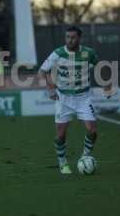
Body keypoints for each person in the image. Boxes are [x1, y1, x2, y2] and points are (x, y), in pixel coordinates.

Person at [38, 26, 112, 174]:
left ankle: (84, 157)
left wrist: (106, 84)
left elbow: (100, 66)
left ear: (79, 38)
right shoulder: (58, 53)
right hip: (63, 98)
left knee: (92, 130)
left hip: (83, 98)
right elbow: (42, 71)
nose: (69, 40)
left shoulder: (88, 53)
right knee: (60, 136)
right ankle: (62, 162)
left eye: (73, 37)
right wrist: (50, 88)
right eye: (67, 37)